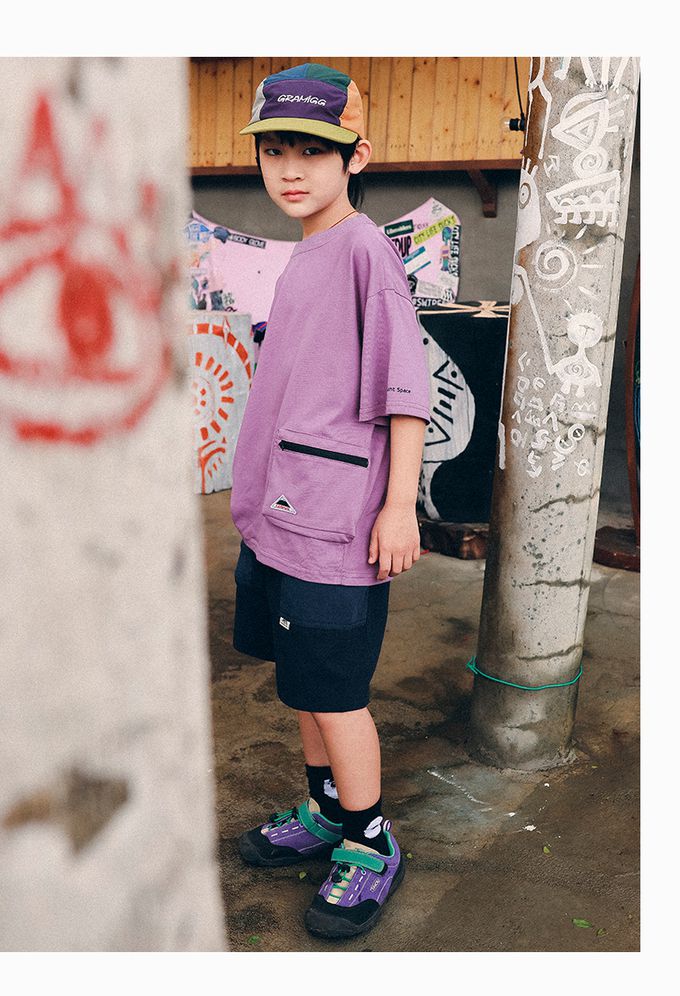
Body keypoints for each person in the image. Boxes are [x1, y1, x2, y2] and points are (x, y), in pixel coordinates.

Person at [230, 62, 431, 940]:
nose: (291, 169)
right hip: (280, 519)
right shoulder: (307, 252)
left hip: (336, 526)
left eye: (314, 150)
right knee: (304, 684)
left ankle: (370, 838)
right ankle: (323, 810)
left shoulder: (362, 251)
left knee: (338, 693)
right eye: (276, 150)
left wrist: (398, 507)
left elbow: (405, 392)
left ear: (358, 156)